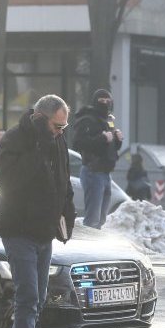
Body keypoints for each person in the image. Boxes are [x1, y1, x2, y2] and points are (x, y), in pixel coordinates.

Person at [0, 95, 76, 328]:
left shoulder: (57, 140)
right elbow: (8, 182)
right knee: (27, 297)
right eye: (56, 126)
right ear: (40, 118)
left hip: (45, 232)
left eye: (63, 127)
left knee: (37, 299)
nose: (60, 131)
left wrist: (67, 212)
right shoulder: (16, 139)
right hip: (18, 230)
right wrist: (38, 148)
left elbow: (63, 181)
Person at [72, 89, 123, 228]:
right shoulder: (87, 119)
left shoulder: (107, 120)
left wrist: (117, 141)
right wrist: (102, 138)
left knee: (101, 220)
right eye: (101, 101)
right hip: (93, 171)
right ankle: (88, 248)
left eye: (108, 101)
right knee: (92, 219)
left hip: (105, 173)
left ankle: (95, 247)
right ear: (95, 102)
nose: (105, 103)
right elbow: (77, 143)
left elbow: (108, 148)